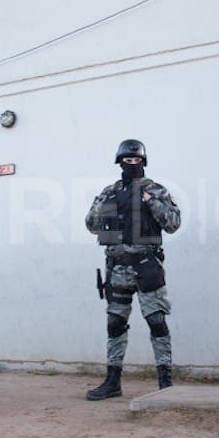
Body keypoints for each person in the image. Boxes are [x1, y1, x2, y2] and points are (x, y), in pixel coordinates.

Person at [84, 139, 181, 400]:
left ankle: (165, 384)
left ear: (143, 162)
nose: (131, 164)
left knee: (156, 321)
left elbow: (173, 224)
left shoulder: (156, 190)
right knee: (115, 323)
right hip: (117, 269)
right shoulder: (109, 192)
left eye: (136, 160)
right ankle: (112, 382)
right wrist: (104, 208)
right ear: (119, 162)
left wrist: (151, 202)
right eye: (126, 161)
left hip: (147, 266)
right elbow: (91, 224)